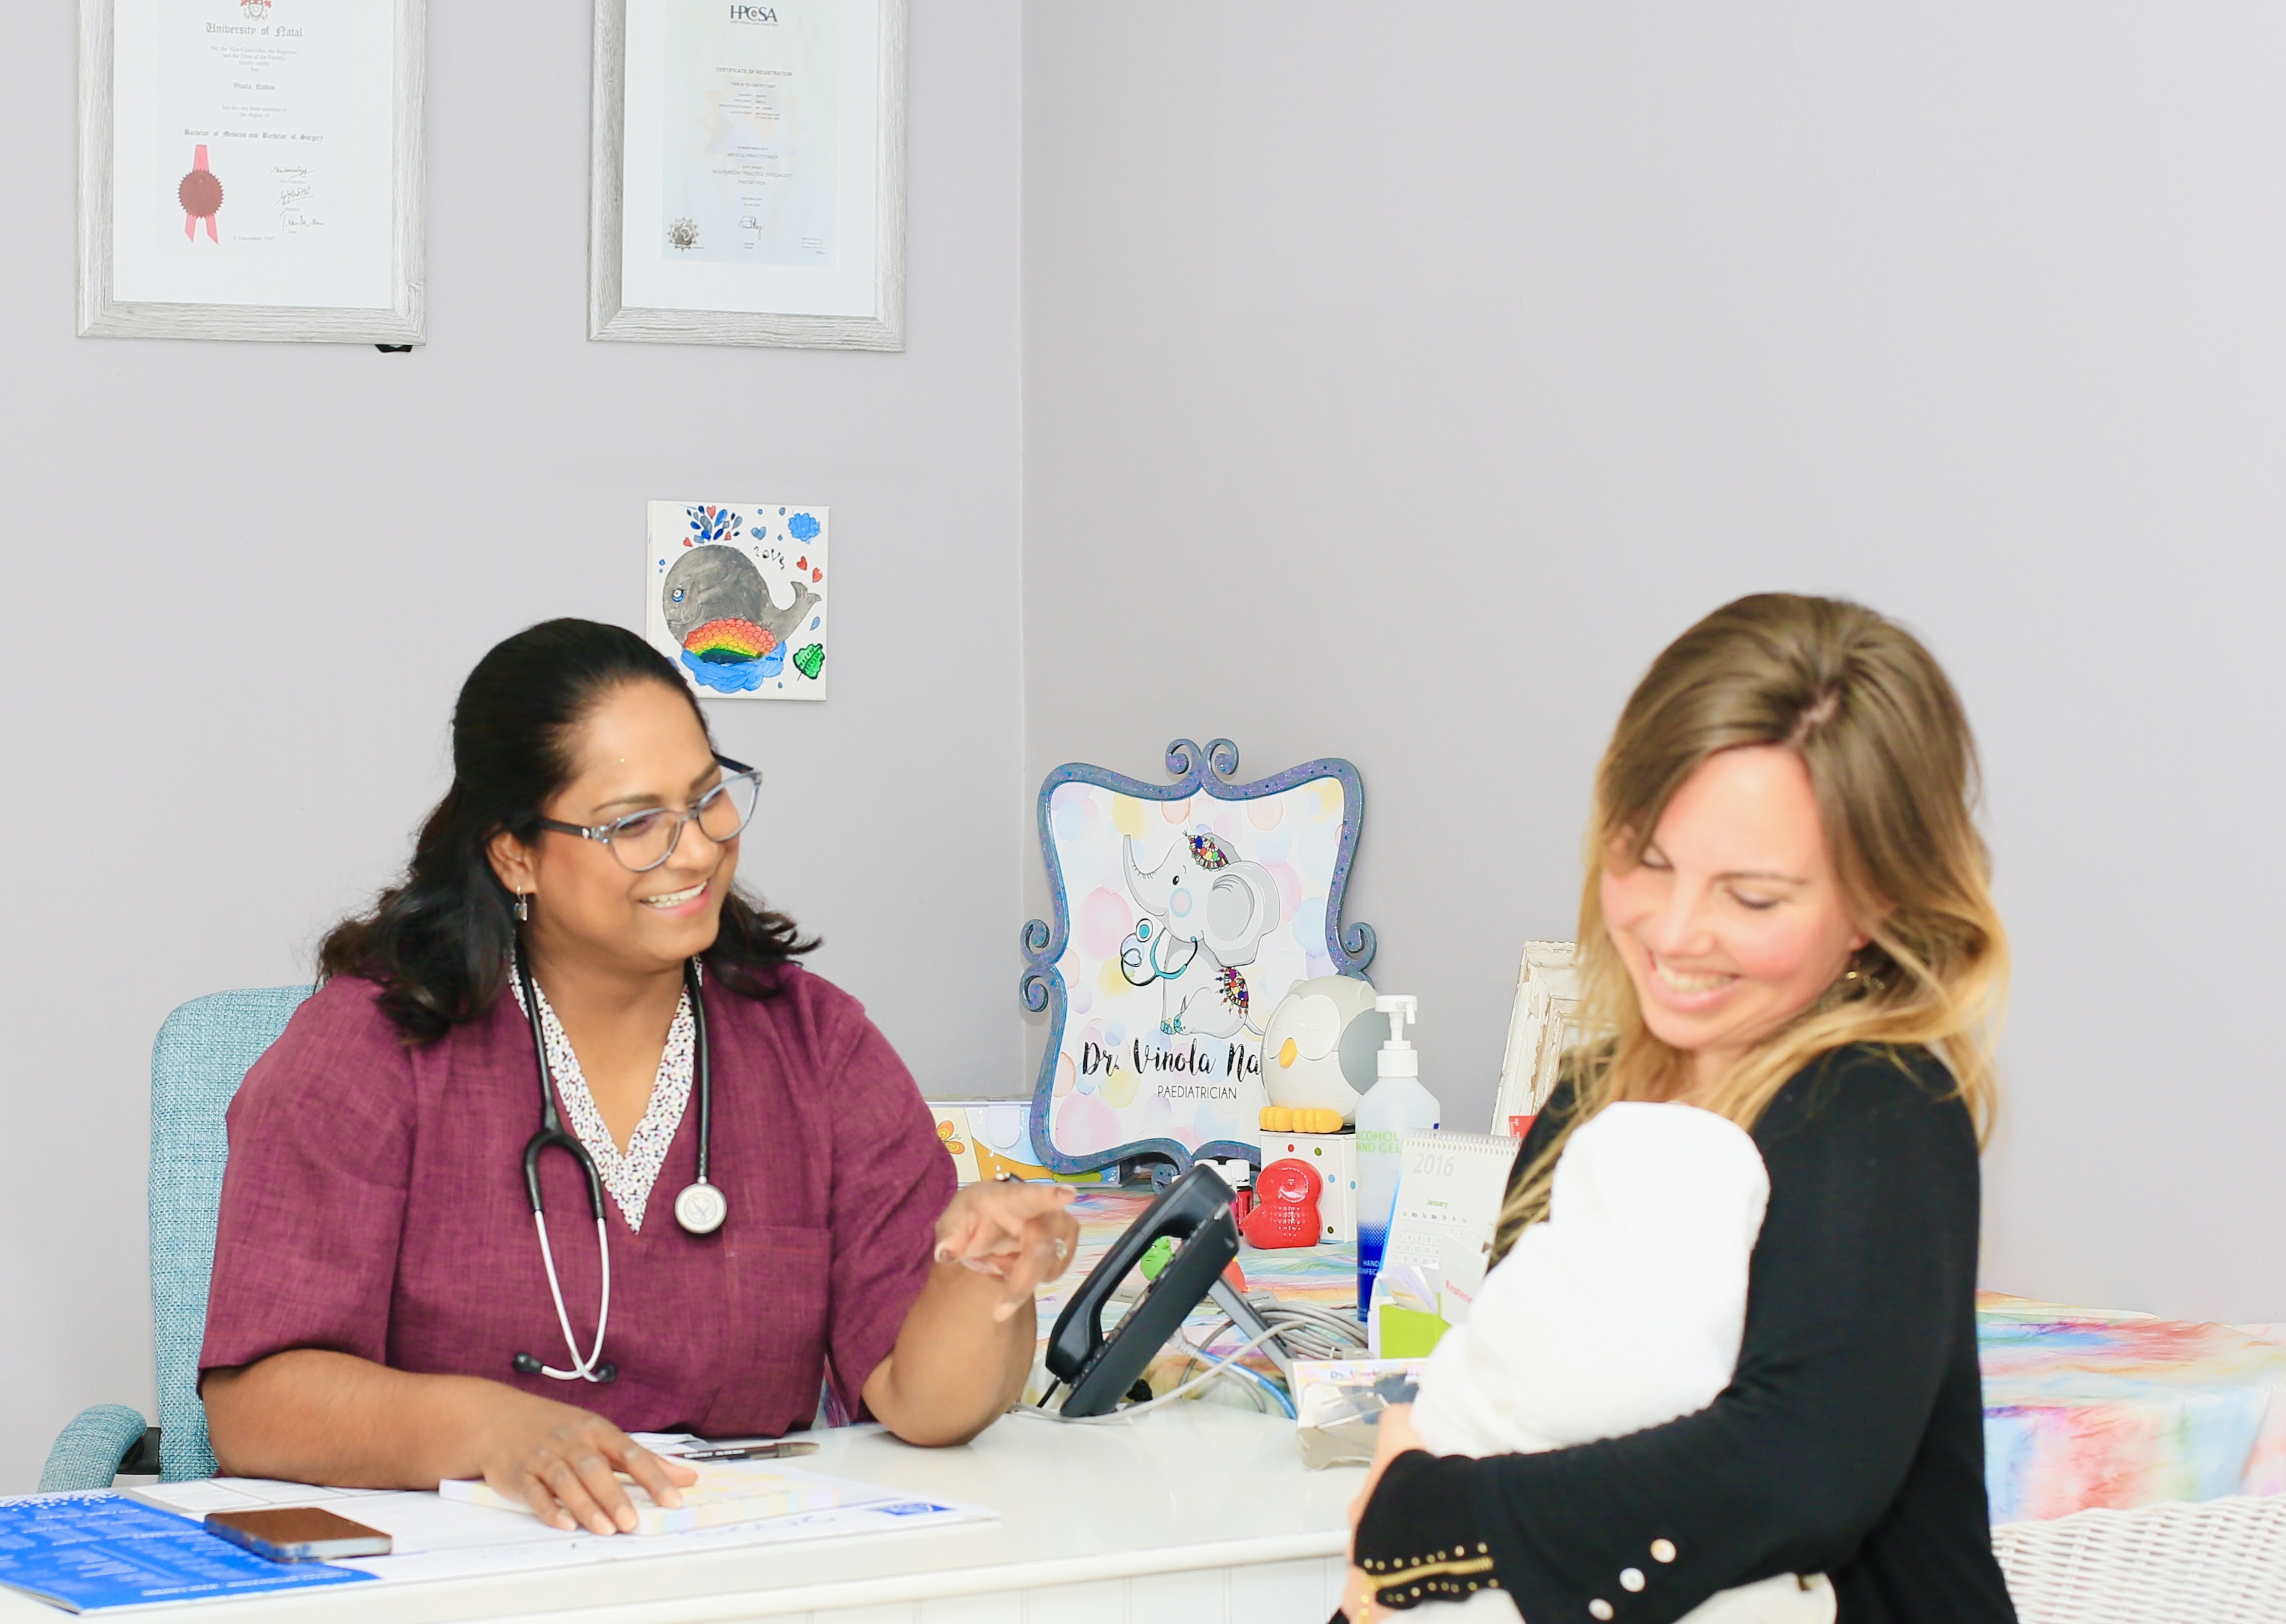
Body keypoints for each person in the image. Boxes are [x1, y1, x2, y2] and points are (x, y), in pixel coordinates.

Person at [201, 619, 1078, 1537]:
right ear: (515, 854)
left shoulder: (816, 1045)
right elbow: (258, 1401)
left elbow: (923, 1402)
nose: (695, 849)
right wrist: (494, 1427)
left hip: (725, 1576)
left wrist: (984, 1280)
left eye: (707, 797)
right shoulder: (368, 1049)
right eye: (635, 823)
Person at [1344, 594, 2017, 1622]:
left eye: (1750, 898)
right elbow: (1528, 1391)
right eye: (1646, 859)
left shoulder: (1881, 1106)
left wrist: (1434, 1518)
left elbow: (1802, 1469)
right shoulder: (1594, 1093)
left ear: (1877, 897)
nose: (1672, 930)